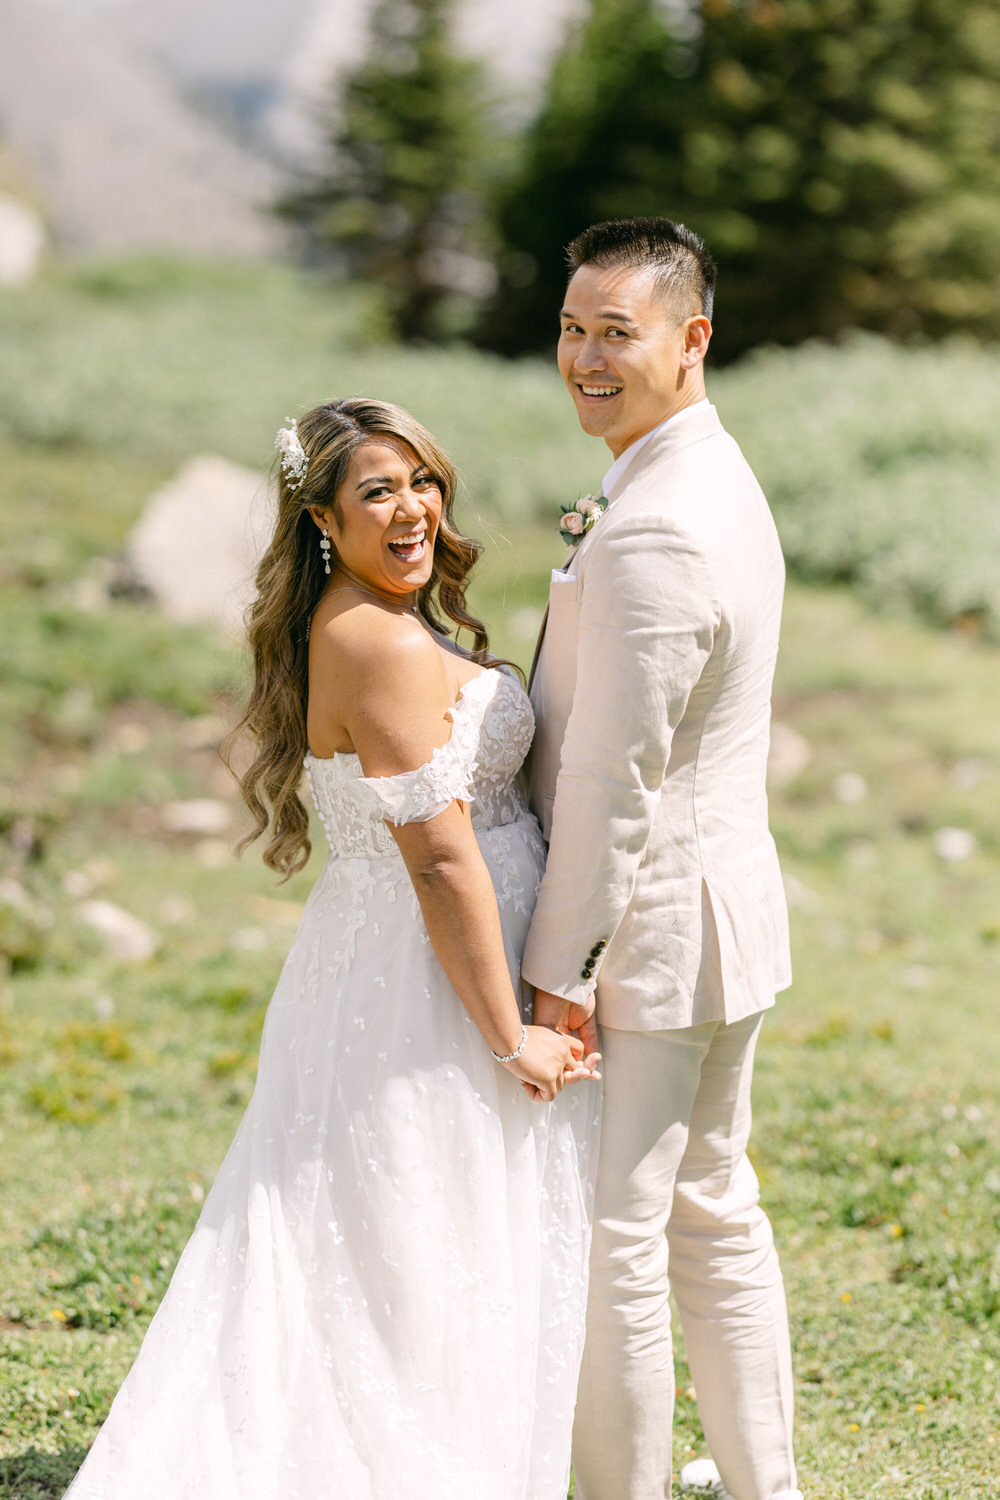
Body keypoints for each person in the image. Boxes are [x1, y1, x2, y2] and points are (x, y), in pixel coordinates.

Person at [62, 397, 601, 1500]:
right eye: (376, 492)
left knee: (402, 1224)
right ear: (319, 517)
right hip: (423, 979)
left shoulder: (388, 618)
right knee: (405, 1229)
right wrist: (511, 1039)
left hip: (410, 957)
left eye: (423, 483)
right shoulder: (370, 639)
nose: (411, 510)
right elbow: (442, 861)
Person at [522, 218, 803, 1500]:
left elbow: (611, 775)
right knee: (712, 1212)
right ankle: (767, 1485)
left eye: (614, 333)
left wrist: (556, 969)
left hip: (648, 935)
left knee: (618, 1238)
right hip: (722, 913)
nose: (584, 356)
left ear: (690, 340)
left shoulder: (658, 525)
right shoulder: (699, 472)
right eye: (573, 327)